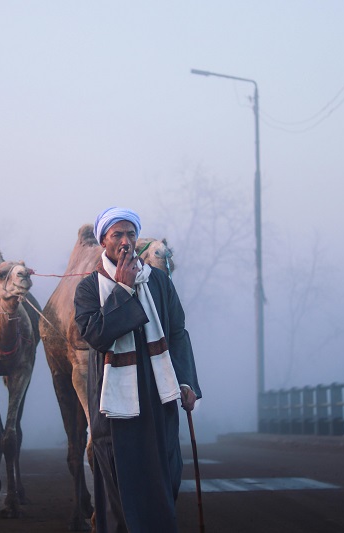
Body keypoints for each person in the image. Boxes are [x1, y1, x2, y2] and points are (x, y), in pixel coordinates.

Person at [74, 206, 202, 533]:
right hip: (114, 404)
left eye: (131, 234)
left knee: (166, 475)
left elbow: (177, 332)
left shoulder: (159, 281)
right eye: (117, 235)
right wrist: (123, 290)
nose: (125, 241)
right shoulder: (90, 288)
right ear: (104, 241)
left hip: (159, 397)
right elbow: (97, 336)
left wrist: (187, 381)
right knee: (120, 487)